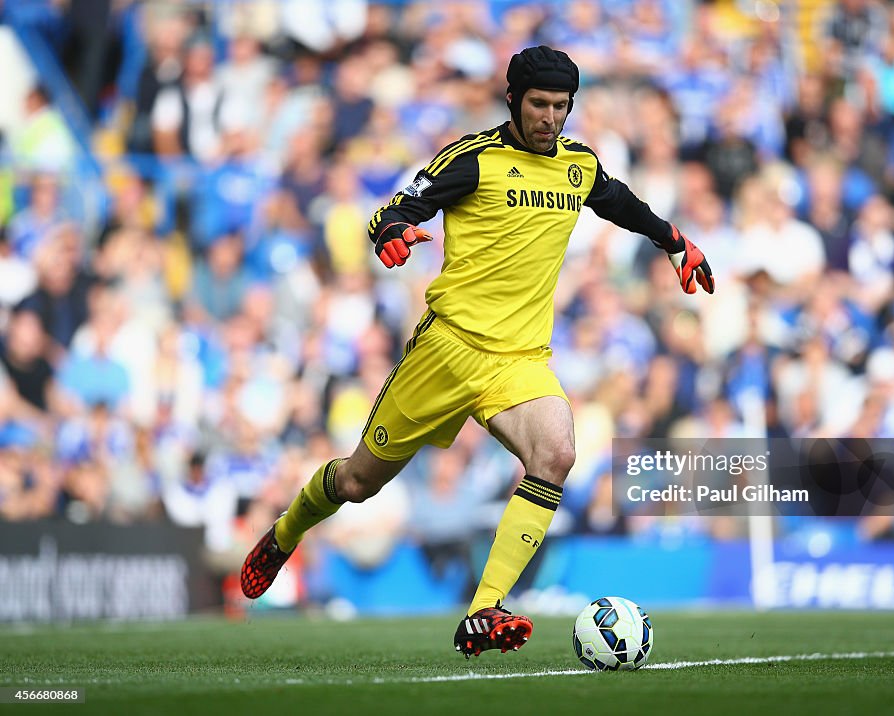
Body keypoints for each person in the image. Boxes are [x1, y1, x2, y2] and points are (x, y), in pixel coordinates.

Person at [240, 46, 714, 658]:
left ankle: (482, 610)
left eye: (561, 107)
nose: (550, 118)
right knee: (357, 483)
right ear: (513, 100)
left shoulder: (578, 165)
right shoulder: (475, 158)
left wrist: (675, 241)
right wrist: (392, 233)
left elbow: (619, 201)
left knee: (558, 451)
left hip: (518, 360)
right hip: (447, 351)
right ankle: (284, 534)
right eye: (539, 104)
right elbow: (400, 205)